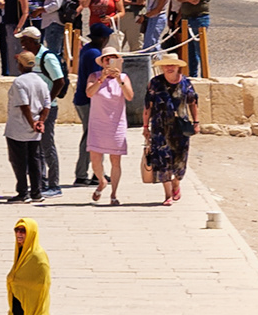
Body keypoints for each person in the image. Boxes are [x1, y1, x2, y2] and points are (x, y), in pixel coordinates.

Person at [140, 52, 196, 203]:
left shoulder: (186, 82)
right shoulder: (155, 83)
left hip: (181, 127)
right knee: (162, 161)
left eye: (172, 65)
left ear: (178, 67)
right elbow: (148, 106)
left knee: (180, 160)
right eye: (166, 65)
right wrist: (145, 127)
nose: (169, 67)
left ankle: (176, 182)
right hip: (160, 127)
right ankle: (168, 195)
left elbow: (192, 102)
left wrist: (196, 122)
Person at [79, 50, 132, 204]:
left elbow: (129, 96)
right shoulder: (94, 76)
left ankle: (114, 194)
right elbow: (89, 93)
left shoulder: (123, 78)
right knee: (95, 159)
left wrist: (119, 80)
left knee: (115, 160)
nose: (109, 62)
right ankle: (101, 181)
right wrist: (101, 78)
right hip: (98, 124)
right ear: (102, 62)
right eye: (106, 59)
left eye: (112, 59)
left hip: (116, 124)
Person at [3, 48, 53, 201]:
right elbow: (47, 104)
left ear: (20, 65)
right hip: (35, 129)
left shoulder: (19, 82)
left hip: (18, 128)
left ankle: (23, 192)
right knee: (34, 160)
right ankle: (36, 192)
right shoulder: (41, 82)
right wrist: (40, 122)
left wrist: (32, 123)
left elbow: (24, 105)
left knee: (18, 161)